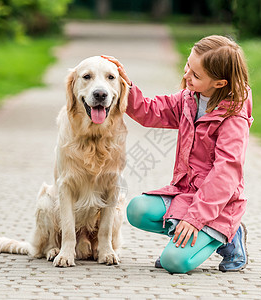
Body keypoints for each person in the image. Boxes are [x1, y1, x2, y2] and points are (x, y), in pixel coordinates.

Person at [102, 34, 252, 274]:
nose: (186, 76)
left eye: (196, 75)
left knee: (174, 262)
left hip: (218, 206)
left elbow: (226, 173)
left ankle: (229, 234)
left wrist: (195, 219)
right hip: (186, 193)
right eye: (187, 66)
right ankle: (188, 239)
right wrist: (123, 85)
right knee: (137, 210)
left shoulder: (233, 117)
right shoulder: (189, 99)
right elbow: (151, 112)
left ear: (220, 83)